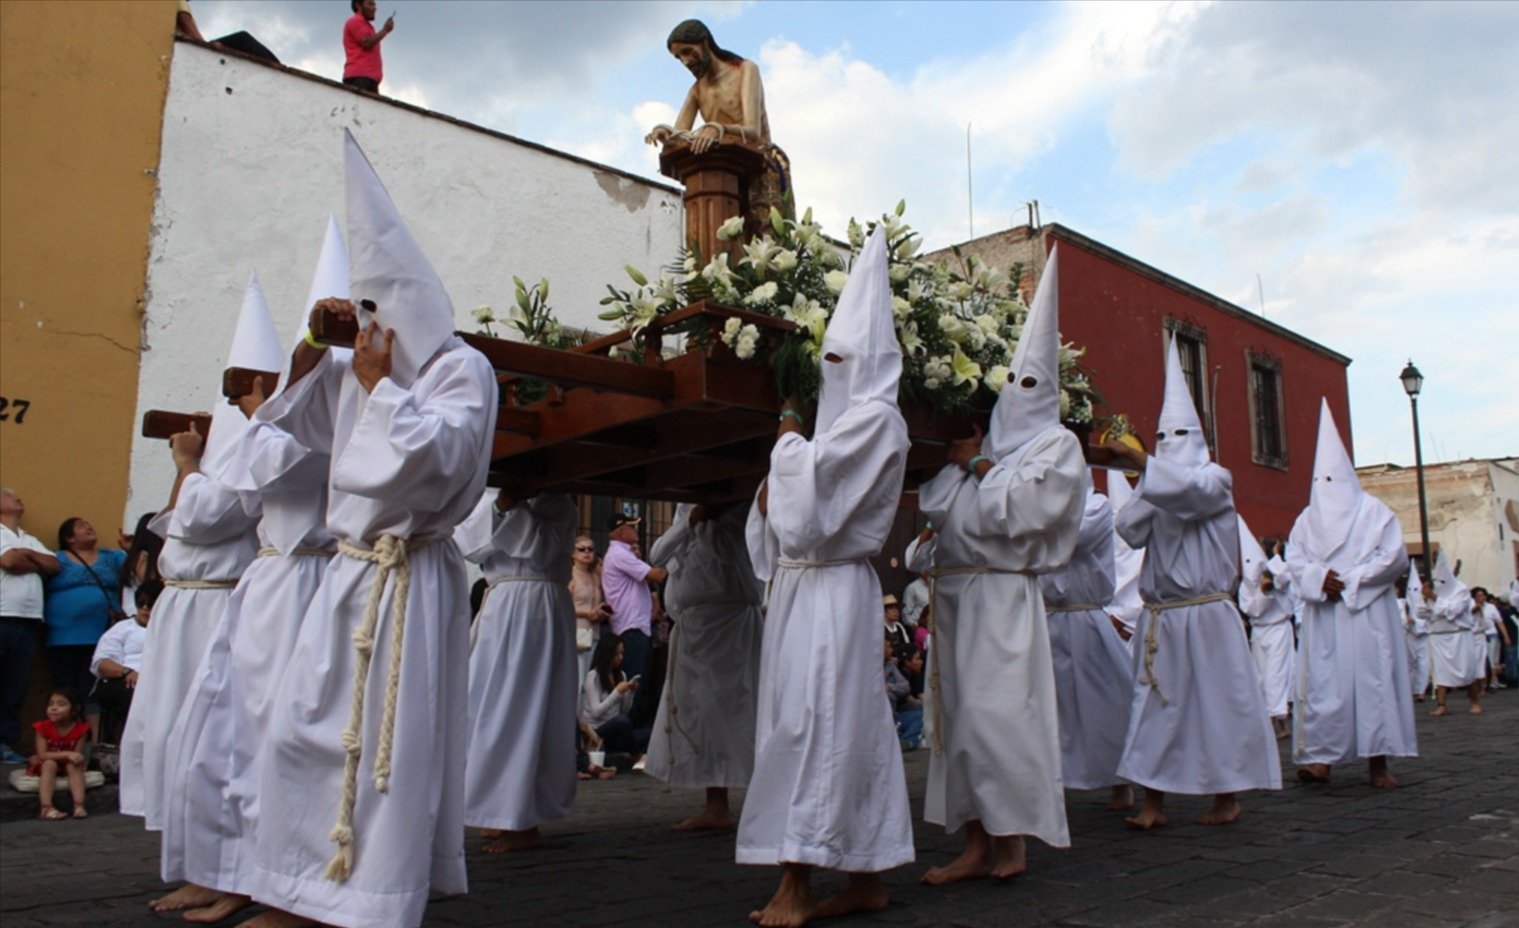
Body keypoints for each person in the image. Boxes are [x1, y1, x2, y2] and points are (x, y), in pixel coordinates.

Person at [249, 131, 496, 928]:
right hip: (348, 574)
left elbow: (432, 462)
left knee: (381, 753)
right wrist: (311, 351)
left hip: (406, 574)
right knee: (301, 733)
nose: (366, 324)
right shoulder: (361, 364)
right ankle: (298, 886)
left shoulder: (461, 368)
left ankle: (365, 898)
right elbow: (295, 439)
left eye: (373, 306)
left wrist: (377, 385)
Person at [740, 225, 912, 927]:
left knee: (817, 721)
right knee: (832, 721)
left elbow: (808, 513)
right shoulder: (845, 425)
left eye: (844, 359)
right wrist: (784, 479)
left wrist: (784, 434)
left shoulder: (875, 419)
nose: (832, 373)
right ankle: (865, 872)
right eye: (826, 360)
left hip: (833, 590)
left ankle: (797, 879)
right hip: (805, 589)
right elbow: (787, 513)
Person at [157, 264, 339, 923]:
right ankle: (226, 868)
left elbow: (251, 484)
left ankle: (282, 884)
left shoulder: (316, 427)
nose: (237, 406)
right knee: (224, 733)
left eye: (245, 391)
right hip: (270, 585)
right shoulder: (273, 429)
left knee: (280, 738)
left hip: (311, 586)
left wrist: (260, 418)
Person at [908, 244, 1081, 886]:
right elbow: (941, 510)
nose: (1021, 393)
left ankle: (1014, 844)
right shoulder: (989, 446)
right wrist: (968, 462)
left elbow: (1028, 510)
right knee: (958, 725)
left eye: (1032, 383)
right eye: (1015, 381)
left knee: (999, 718)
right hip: (958, 600)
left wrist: (979, 466)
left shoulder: (1057, 445)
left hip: (1005, 603)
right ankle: (977, 841)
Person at [1102, 337, 1281, 829]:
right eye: (1163, 439)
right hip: (1161, 616)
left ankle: (1226, 796)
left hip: (1207, 614)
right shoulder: (1161, 486)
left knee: (1215, 706)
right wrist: (1147, 479)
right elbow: (1128, 529)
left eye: (1179, 436)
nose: (1171, 445)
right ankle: (1154, 801)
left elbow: (1192, 493)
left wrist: (1146, 466)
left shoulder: (1215, 480)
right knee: (1152, 705)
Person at [119, 357, 262, 834]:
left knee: (207, 727)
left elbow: (202, 519)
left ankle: (210, 840)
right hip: (182, 608)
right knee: (164, 722)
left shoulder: (240, 475)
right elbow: (176, 523)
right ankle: (179, 829)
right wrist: (190, 470)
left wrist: (188, 465)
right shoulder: (204, 478)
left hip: (214, 607)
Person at [1286, 400, 1417, 788]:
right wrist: (1316, 577)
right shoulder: (1307, 519)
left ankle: (1378, 762)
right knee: (1325, 687)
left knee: (1372, 682)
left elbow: (1393, 557)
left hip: (1366, 613)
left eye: (1332, 480)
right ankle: (1320, 759)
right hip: (1324, 615)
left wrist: (1350, 580)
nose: (1325, 489)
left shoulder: (1375, 512)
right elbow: (1293, 558)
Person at [456, 489, 579, 854]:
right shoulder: (490, 496)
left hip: (534, 606)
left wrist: (513, 509)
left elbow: (541, 551)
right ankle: (499, 809)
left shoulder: (558, 501)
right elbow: (470, 546)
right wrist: (499, 507)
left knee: (523, 711)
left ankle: (522, 819)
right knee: (488, 708)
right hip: (500, 602)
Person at [645, 502, 764, 832]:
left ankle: (765, 799)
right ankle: (716, 804)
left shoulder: (740, 508)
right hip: (695, 625)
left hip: (731, 624)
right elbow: (657, 554)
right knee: (701, 715)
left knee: (737, 713)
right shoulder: (687, 510)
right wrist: (690, 522)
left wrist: (708, 521)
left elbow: (730, 554)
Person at [1041, 469, 1136, 812]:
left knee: (1106, 702)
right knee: (1051, 707)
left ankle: (1120, 779)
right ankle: (1053, 781)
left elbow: (1070, 538)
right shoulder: (1039, 508)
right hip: (1046, 618)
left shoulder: (1095, 505)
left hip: (1085, 618)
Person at [644, 19, 793, 225]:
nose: (685, 61)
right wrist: (666, 133)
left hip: (760, 166)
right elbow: (680, 136)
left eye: (688, 51)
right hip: (721, 173)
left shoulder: (745, 70)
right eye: (679, 58)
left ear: (705, 43)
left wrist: (718, 129)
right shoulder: (697, 90)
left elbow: (753, 130)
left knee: (766, 243)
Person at [44, 517, 129, 740]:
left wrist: (130, 549)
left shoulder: (112, 557)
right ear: (69, 538)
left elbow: (137, 573)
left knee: (94, 691)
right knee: (65, 691)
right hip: (62, 636)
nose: (89, 527)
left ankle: (93, 744)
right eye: (81, 526)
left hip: (100, 637)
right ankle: (65, 741)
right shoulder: (55, 559)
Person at [0, 488, 60, 763]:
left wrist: (26, 553)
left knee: (15, 686)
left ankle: (6, 743)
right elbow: (9, 561)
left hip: (29, 621)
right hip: (2, 615)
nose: (17, 498)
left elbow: (54, 565)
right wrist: (30, 559)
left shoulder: (29, 539)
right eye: (9, 495)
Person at [600, 513, 668, 716]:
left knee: (642, 682)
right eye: (631, 527)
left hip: (637, 626)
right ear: (621, 532)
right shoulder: (619, 554)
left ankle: (634, 730)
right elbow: (656, 575)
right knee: (634, 683)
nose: (635, 531)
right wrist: (674, 557)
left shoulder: (624, 553)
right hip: (630, 627)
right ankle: (627, 730)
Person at [1237, 520, 1294, 740]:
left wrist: (1272, 574)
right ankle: (1266, 719)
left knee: (1276, 675)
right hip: (1259, 632)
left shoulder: (1279, 573)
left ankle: (1281, 721)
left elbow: (1285, 579)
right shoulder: (1246, 586)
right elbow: (1252, 610)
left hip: (1278, 630)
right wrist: (1262, 593)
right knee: (1260, 676)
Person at [91, 581, 159, 745]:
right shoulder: (122, 629)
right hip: (125, 680)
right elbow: (101, 663)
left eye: (150, 605)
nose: (144, 609)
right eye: (140, 604)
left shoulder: (172, 630)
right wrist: (127, 672)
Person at [1423, 551, 1480, 716]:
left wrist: (1433, 597)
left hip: (1459, 636)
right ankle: (1442, 705)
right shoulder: (1432, 589)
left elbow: (1454, 610)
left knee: (1467, 670)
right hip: (1438, 636)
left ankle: (1475, 701)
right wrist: (1425, 599)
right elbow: (1422, 612)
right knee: (1440, 672)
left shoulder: (1460, 590)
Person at [26, 688, 92, 820]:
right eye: (51, 704)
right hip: (46, 763)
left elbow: (76, 754)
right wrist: (67, 753)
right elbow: (42, 755)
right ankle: (46, 807)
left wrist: (73, 757)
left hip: (66, 764)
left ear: (74, 709)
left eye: (61, 704)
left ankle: (79, 805)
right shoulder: (42, 727)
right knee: (50, 764)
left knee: (74, 765)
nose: (54, 708)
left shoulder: (81, 729)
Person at [580, 633, 649, 758]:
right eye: (617, 654)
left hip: (615, 731)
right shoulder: (593, 677)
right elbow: (596, 712)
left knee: (649, 733)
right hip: (596, 731)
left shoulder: (621, 675)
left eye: (622, 653)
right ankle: (636, 757)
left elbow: (624, 711)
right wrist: (617, 692)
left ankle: (626, 752)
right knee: (622, 721)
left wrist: (629, 692)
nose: (620, 657)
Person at [569, 534, 610, 699]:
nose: (586, 552)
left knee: (588, 679)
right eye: (581, 549)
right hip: (577, 631)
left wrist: (599, 612)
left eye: (590, 549)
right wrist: (586, 613)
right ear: (573, 553)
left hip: (594, 631)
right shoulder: (569, 575)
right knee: (577, 677)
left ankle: (581, 718)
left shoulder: (595, 577)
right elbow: (563, 605)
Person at [342, 0, 394, 94]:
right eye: (370, 4)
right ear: (358, 5)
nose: (374, 8)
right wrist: (385, 30)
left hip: (368, 78)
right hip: (359, 76)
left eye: (374, 4)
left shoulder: (367, 26)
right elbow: (366, 43)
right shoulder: (355, 21)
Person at [1471, 588, 1511, 691]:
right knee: (1479, 660)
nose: (1481, 598)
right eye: (1479, 595)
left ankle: (1492, 681)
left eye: (1483, 595)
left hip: (1491, 634)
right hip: (1477, 635)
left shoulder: (1491, 607)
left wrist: (1506, 636)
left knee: (1493, 659)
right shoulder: (1471, 607)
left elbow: (1499, 622)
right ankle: (1481, 682)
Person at [1401, 570, 1431, 701]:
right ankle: (1412, 689)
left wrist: (1416, 622)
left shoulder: (1425, 604)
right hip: (1410, 636)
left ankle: (1421, 690)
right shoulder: (1403, 604)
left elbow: (1428, 620)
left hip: (1423, 637)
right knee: (1411, 663)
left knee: (1424, 663)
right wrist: (1407, 622)